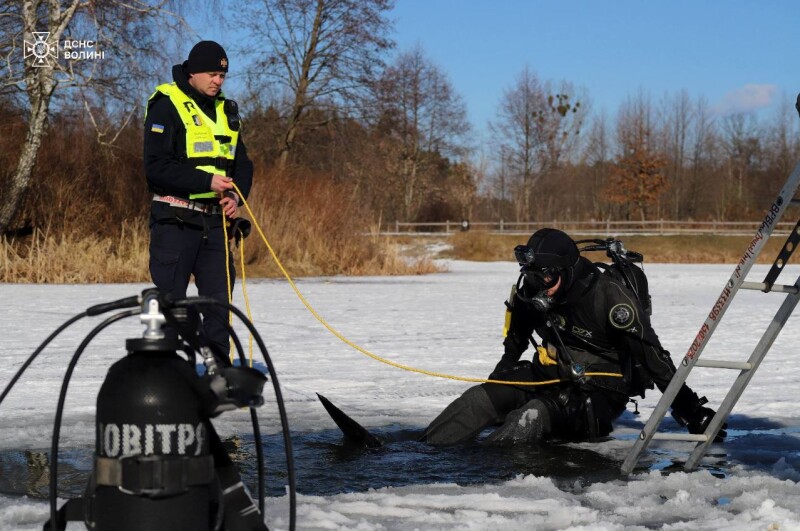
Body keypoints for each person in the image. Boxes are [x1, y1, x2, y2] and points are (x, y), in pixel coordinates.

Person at [422, 228, 726, 446]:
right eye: (532, 276)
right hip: (550, 371)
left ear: (566, 271)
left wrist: (689, 409)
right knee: (479, 398)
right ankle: (422, 454)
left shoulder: (607, 296)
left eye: (546, 277)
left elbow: (652, 356)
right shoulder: (533, 286)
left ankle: (484, 475)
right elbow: (517, 335)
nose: (539, 285)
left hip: (601, 387)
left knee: (532, 416)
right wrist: (501, 379)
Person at [144, 40, 253, 359]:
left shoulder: (227, 111)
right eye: (212, 74)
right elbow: (155, 167)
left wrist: (235, 195)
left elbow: (243, 164)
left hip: (215, 225)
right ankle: (167, 382)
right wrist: (206, 180)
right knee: (172, 311)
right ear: (192, 71)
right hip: (175, 223)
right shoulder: (167, 103)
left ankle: (218, 379)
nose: (218, 81)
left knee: (219, 310)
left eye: (223, 75)